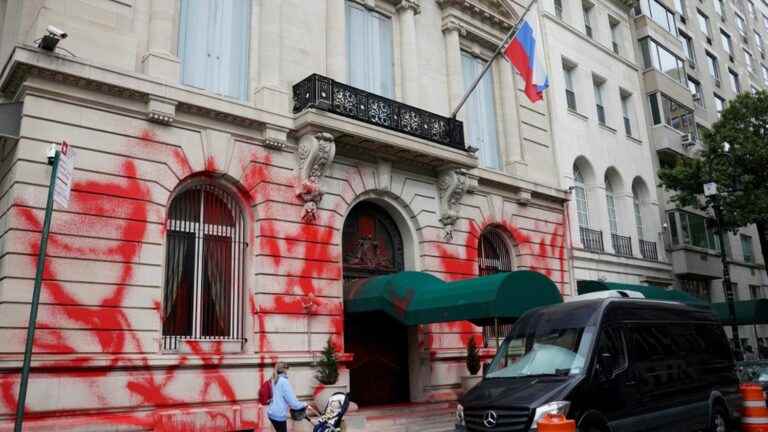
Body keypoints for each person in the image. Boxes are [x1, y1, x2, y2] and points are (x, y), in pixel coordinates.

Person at [267, 362, 316, 432]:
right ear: (285, 370)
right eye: (288, 370)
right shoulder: (284, 381)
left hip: (271, 412)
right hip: (279, 414)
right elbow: (293, 403)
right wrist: (304, 404)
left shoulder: (274, 380)